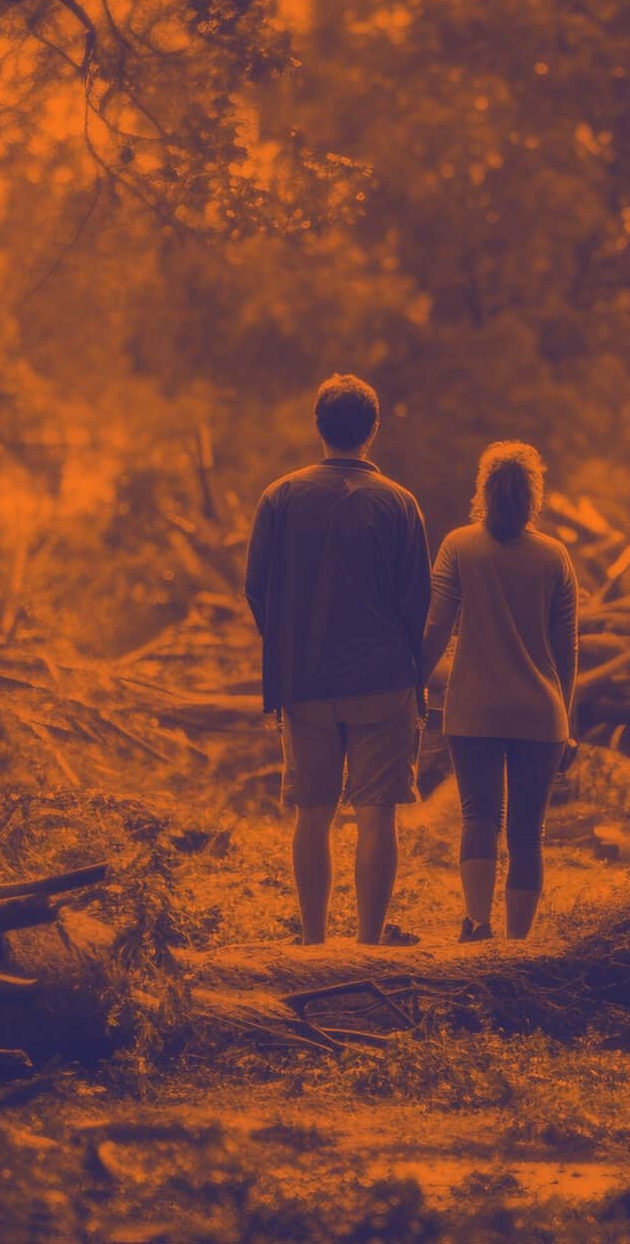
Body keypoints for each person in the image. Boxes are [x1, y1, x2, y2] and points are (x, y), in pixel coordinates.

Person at [244, 374, 433, 946]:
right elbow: (417, 600)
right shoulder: (400, 503)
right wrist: (415, 677)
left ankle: (314, 941)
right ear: (373, 429)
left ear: (318, 426)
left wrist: (290, 647)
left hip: (305, 681)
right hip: (383, 680)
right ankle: (368, 945)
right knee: (377, 815)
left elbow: (257, 589)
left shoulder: (279, 497)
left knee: (313, 813)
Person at [418, 441, 578, 942]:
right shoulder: (555, 556)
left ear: (483, 492)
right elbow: (566, 650)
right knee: (528, 833)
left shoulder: (459, 547)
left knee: (479, 818)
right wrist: (566, 721)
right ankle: (517, 946)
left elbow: (435, 627)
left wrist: (414, 684)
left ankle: (477, 925)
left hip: (474, 709)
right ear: (534, 496)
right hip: (541, 715)